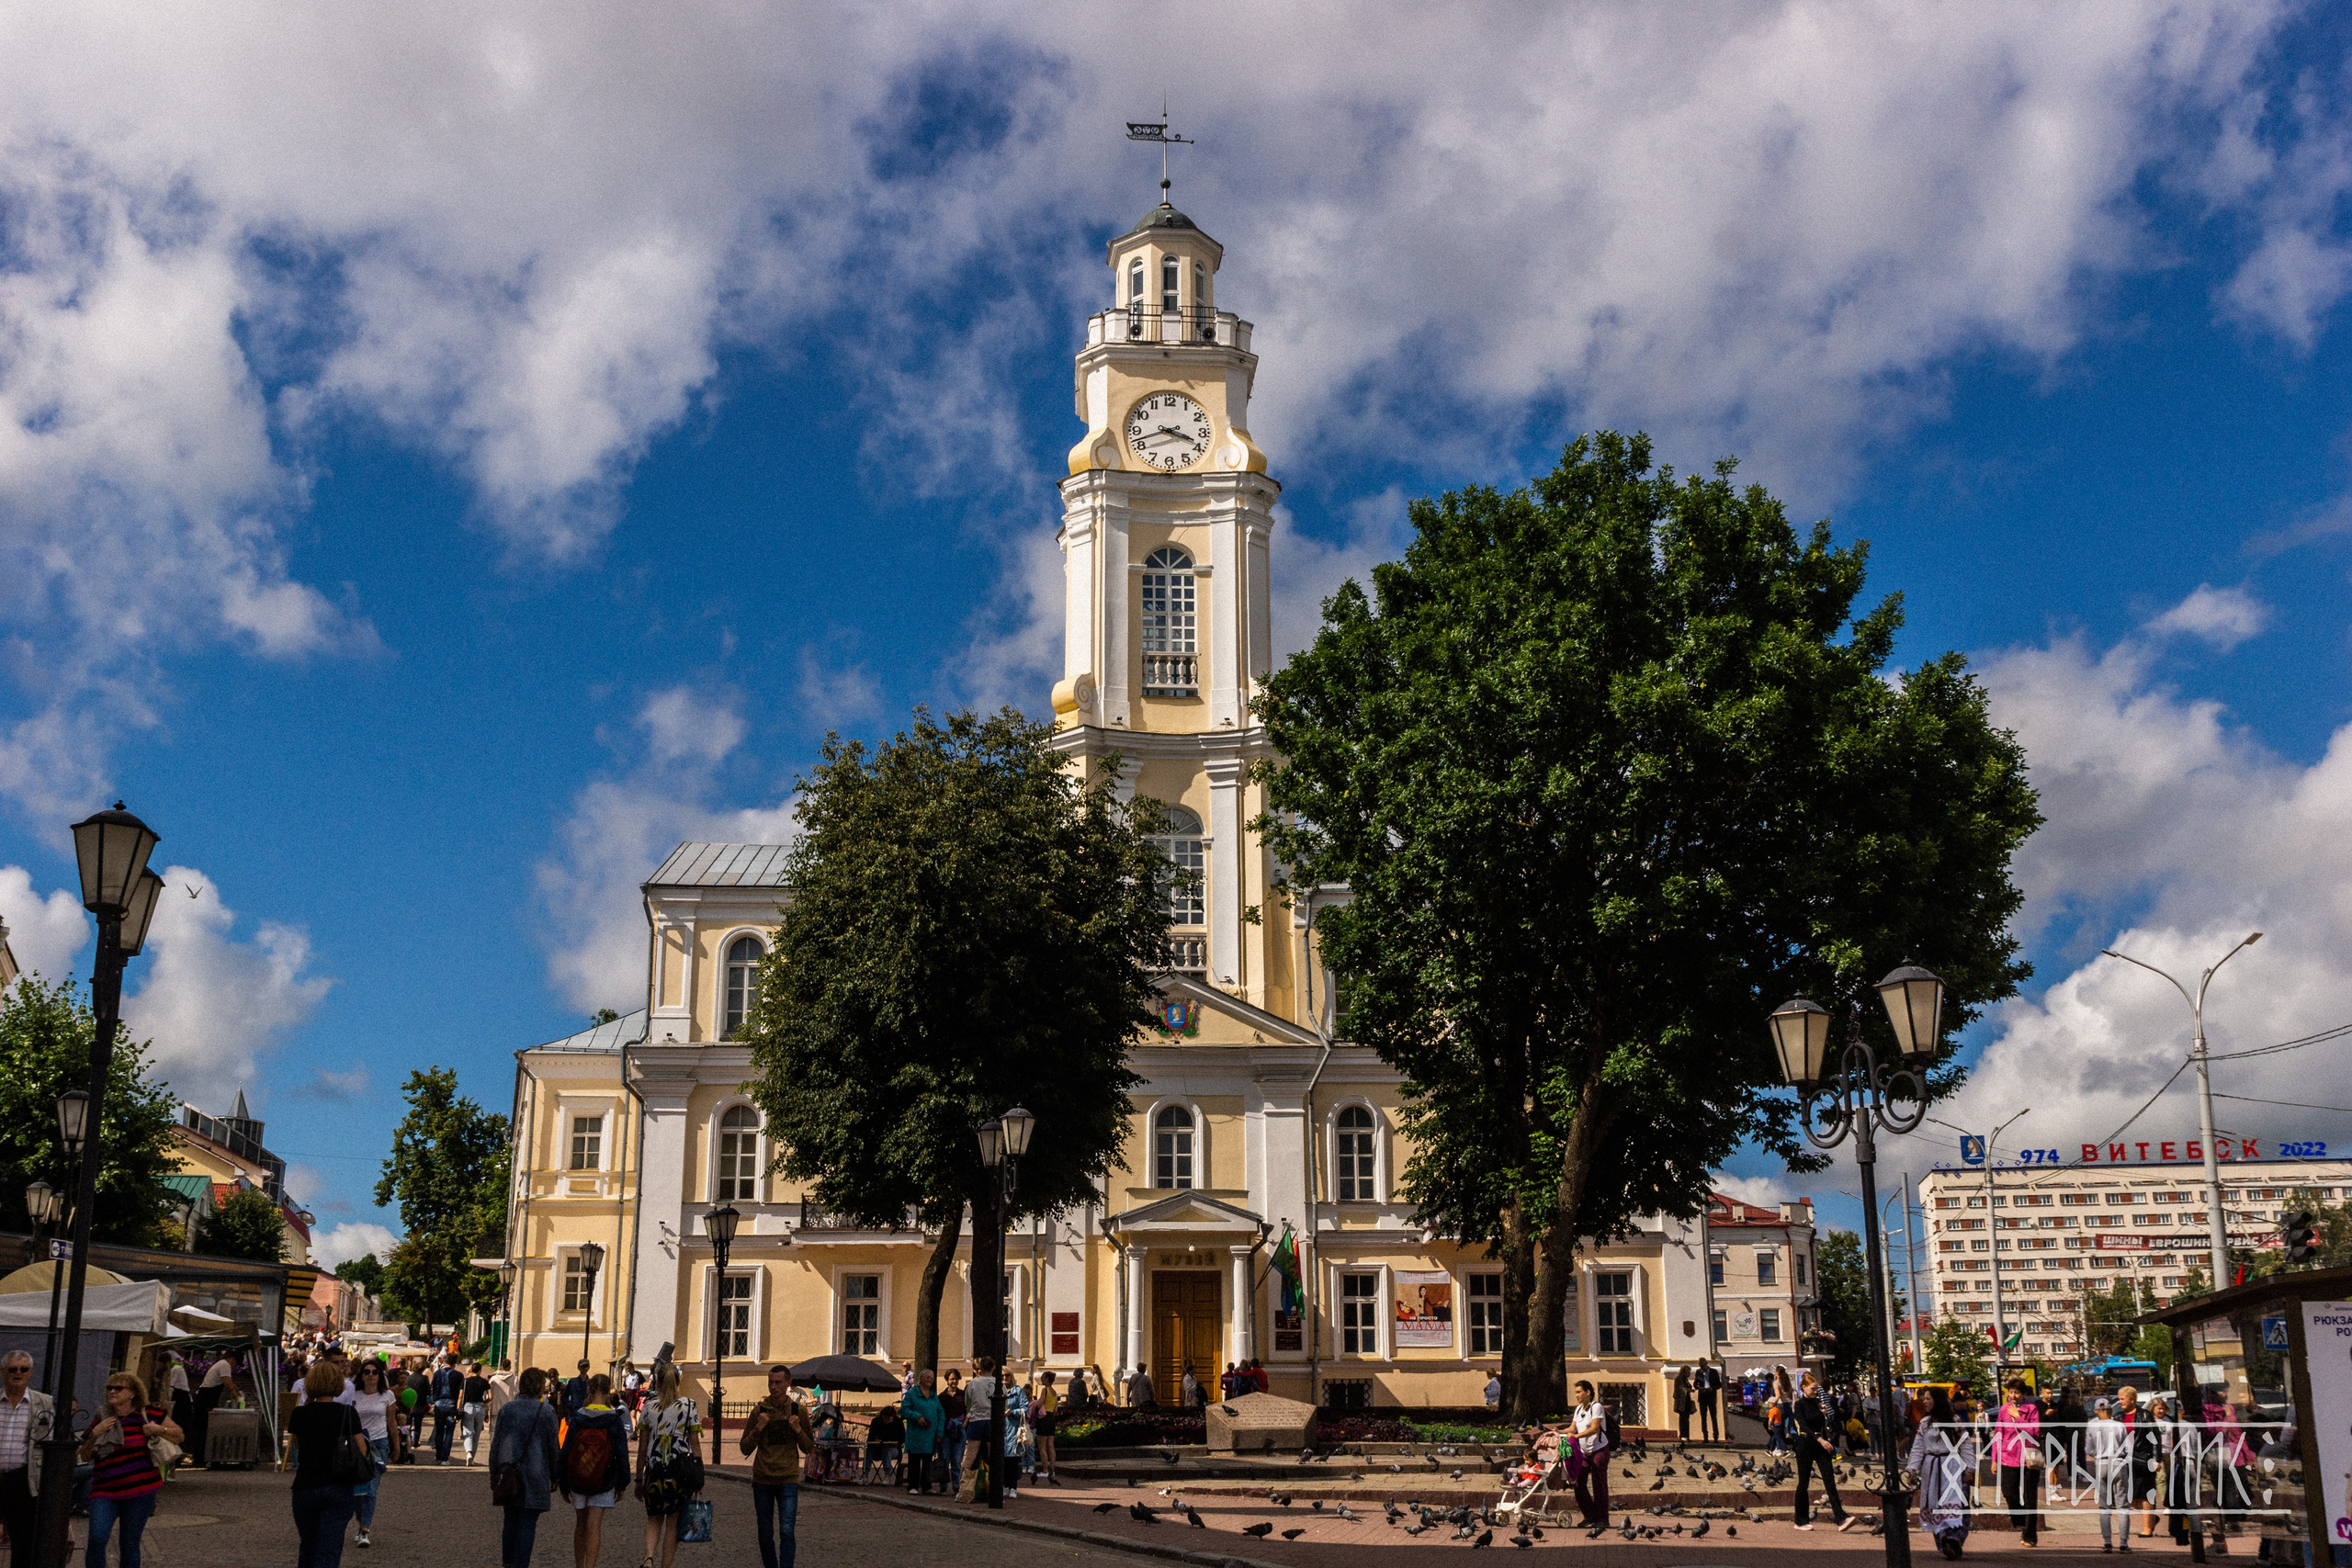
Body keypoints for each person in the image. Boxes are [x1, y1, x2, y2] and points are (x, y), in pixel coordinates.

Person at [79, 1371, 181, 1568]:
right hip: (105, 1489)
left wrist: (160, 1430)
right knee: (97, 1538)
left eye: (119, 1388)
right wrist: (94, 1434)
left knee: (130, 1542)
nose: (112, 1391)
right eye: (110, 1388)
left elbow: (179, 1436)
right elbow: (84, 1456)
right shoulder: (102, 1415)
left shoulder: (149, 1413)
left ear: (133, 1393)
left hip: (140, 1491)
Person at [288, 1359, 368, 1568]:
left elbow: (297, 1445)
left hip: (305, 1485)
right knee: (329, 1549)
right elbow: (362, 1449)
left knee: (308, 1546)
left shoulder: (299, 1413)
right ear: (338, 1384)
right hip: (338, 1485)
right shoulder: (347, 1413)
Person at [740, 1364, 815, 1568]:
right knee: (765, 1533)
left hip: (787, 1479)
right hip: (762, 1479)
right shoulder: (759, 1411)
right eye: (770, 1382)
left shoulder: (797, 1411)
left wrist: (798, 1429)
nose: (773, 1387)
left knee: (787, 1531)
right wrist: (758, 1428)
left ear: (788, 1384)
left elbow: (808, 1447)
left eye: (778, 1383)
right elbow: (744, 1447)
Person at [489, 1367, 561, 1568]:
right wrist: (556, 1476)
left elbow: (496, 1443)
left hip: (508, 1471)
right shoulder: (546, 1411)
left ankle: (508, 1563)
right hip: (535, 1473)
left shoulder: (507, 1409)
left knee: (510, 1520)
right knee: (528, 1524)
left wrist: (494, 1472)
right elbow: (553, 1446)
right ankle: (521, 1565)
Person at [634, 1361, 703, 1568]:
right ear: (678, 1380)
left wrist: (639, 1478)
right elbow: (695, 1445)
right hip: (678, 1472)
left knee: (654, 1518)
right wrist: (699, 1476)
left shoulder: (648, 1408)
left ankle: (648, 1558)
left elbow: (642, 1448)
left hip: (654, 1470)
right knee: (673, 1522)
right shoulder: (689, 1406)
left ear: (657, 1381)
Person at [559, 1373, 630, 1568]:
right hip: (604, 1478)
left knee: (580, 1524)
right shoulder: (614, 1419)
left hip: (578, 1478)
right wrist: (622, 1483)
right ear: (608, 1391)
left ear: (588, 1389)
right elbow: (622, 1453)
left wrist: (563, 1483)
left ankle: (579, 1566)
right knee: (594, 1526)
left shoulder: (579, 1417)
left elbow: (566, 1451)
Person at [0, 1350, 54, 1560]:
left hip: (22, 1479)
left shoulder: (43, 1403)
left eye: (23, 1369)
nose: (18, 1373)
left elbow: (49, 1444)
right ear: (3, 1372)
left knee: (23, 1541)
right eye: (13, 1369)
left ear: (30, 1372)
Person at [1908, 1387, 1974, 1560]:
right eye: (1924, 1398)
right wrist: (1912, 1469)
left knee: (1956, 1502)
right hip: (1932, 1468)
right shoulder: (1925, 1423)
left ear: (1937, 1400)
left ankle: (1954, 1539)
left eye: (1928, 1398)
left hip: (1952, 1466)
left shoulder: (1954, 1420)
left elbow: (1965, 1444)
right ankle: (1944, 1540)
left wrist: (1970, 1468)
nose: (1925, 1401)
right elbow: (1917, 1448)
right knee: (1935, 1503)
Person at [1791, 1372, 1854, 1531]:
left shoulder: (1817, 1403)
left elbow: (1823, 1424)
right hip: (1806, 1444)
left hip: (1821, 1446)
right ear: (1804, 1387)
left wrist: (1824, 1415)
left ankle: (1841, 1518)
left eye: (1817, 1389)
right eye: (1813, 1389)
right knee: (1803, 1483)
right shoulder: (1799, 1405)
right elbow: (1804, 1426)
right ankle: (1800, 1520)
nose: (1815, 1391)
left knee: (1829, 1480)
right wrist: (1820, 1440)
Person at [349, 1359, 399, 1547]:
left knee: (371, 1488)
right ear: (361, 1375)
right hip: (357, 1443)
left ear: (380, 1375)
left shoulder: (387, 1396)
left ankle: (364, 1530)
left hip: (379, 1444)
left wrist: (397, 1446)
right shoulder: (353, 1395)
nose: (370, 1375)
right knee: (356, 1490)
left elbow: (391, 1422)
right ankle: (361, 1522)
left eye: (374, 1372)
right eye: (367, 1372)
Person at [1991, 1377, 2041, 1547]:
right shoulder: (2004, 1410)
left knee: (2030, 1497)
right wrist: (1994, 1459)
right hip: (2008, 1456)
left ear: (2024, 1394)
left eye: (2017, 1392)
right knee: (2009, 1492)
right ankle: (2021, 1519)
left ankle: (2029, 1535)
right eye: (2011, 1392)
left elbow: (2034, 1433)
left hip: (2028, 1458)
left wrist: (2019, 1418)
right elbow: (1998, 1433)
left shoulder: (2032, 1409)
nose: (2013, 1395)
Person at [2084, 1395, 2131, 1553]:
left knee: (2104, 1505)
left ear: (2096, 1411)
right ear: (2110, 1409)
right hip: (2118, 1462)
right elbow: (2127, 1448)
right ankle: (2123, 1543)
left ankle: (2107, 1541)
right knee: (2122, 1504)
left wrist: (2097, 1454)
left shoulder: (2092, 1426)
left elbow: (2088, 1449)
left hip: (2101, 1464)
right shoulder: (2119, 1425)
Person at [1566, 1380, 1610, 1525]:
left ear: (1588, 1392)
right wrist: (1558, 1432)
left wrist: (1576, 1437)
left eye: (1578, 1392)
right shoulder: (1578, 1410)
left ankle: (1603, 1519)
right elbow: (1572, 1428)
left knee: (1599, 1484)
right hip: (1584, 1452)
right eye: (1575, 1393)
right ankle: (1590, 1515)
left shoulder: (1596, 1407)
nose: (1576, 1395)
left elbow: (1594, 1428)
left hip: (1599, 1450)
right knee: (1577, 1482)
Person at [902, 1370, 944, 1495]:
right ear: (920, 1379)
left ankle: (927, 1486)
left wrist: (940, 1432)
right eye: (927, 1377)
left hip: (930, 1435)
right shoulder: (912, 1394)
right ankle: (912, 1486)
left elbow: (940, 1413)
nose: (930, 1380)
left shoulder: (934, 1396)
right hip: (916, 1435)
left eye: (932, 1378)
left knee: (927, 1462)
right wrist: (916, 1416)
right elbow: (904, 1410)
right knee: (914, 1461)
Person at [964, 1357, 1000, 1499]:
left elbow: (968, 1402)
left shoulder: (973, 1383)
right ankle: (994, 1488)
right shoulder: (998, 1384)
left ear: (980, 1368)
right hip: (992, 1421)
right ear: (993, 1367)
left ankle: (964, 1487)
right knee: (994, 1455)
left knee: (970, 1455)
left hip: (976, 1420)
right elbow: (1003, 1404)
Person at [429, 1353, 465, 1464]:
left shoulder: (437, 1374)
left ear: (445, 1361)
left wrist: (434, 1400)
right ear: (455, 1362)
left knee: (439, 1431)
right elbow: (460, 1393)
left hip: (439, 1404)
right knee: (449, 1432)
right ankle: (445, 1458)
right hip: (452, 1404)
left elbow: (433, 1388)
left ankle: (439, 1455)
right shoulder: (459, 1375)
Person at [939, 1369, 968, 1494]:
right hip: (946, 1431)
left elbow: (968, 1410)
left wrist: (964, 1424)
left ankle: (956, 1486)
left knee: (957, 1460)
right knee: (944, 1459)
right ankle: (943, 1486)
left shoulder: (963, 1395)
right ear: (947, 1380)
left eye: (956, 1379)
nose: (954, 1381)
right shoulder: (942, 1396)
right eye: (951, 1379)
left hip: (959, 1431)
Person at [1031, 1369, 1059, 1485]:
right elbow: (1055, 1408)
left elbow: (1039, 1404)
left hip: (1043, 1419)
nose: (1041, 1380)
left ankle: (1045, 1470)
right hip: (1051, 1419)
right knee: (1050, 1446)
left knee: (1042, 1446)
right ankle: (1052, 1470)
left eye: (1043, 1378)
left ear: (1047, 1379)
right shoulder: (1054, 1392)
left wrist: (1034, 1403)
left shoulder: (1045, 1390)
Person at [461, 1363, 492, 1465]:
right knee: (477, 1434)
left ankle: (468, 1453)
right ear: (480, 1370)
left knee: (468, 1431)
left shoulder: (465, 1381)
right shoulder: (484, 1382)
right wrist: (484, 1402)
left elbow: (460, 1396)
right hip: (480, 1407)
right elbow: (490, 1397)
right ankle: (472, 1458)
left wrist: (458, 1408)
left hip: (468, 1407)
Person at [1694, 1356, 1723, 1442]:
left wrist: (1712, 1388)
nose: (1701, 1368)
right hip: (1702, 1396)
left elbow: (1719, 1384)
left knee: (1713, 1417)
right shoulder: (1698, 1372)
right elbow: (1695, 1383)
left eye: (1702, 1366)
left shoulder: (1714, 1372)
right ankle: (1705, 1436)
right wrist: (1698, 1387)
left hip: (1711, 1396)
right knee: (1703, 1418)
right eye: (1700, 1366)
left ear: (1706, 1364)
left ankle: (1716, 1437)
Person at [1671, 1365, 1694, 1441]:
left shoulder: (1685, 1379)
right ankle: (1682, 1435)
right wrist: (1688, 1390)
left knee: (1686, 1419)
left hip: (1686, 1401)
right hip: (1681, 1402)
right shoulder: (1679, 1379)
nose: (1690, 1374)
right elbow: (1681, 1388)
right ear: (1684, 1371)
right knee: (1683, 1419)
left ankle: (1687, 1435)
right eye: (1688, 1372)